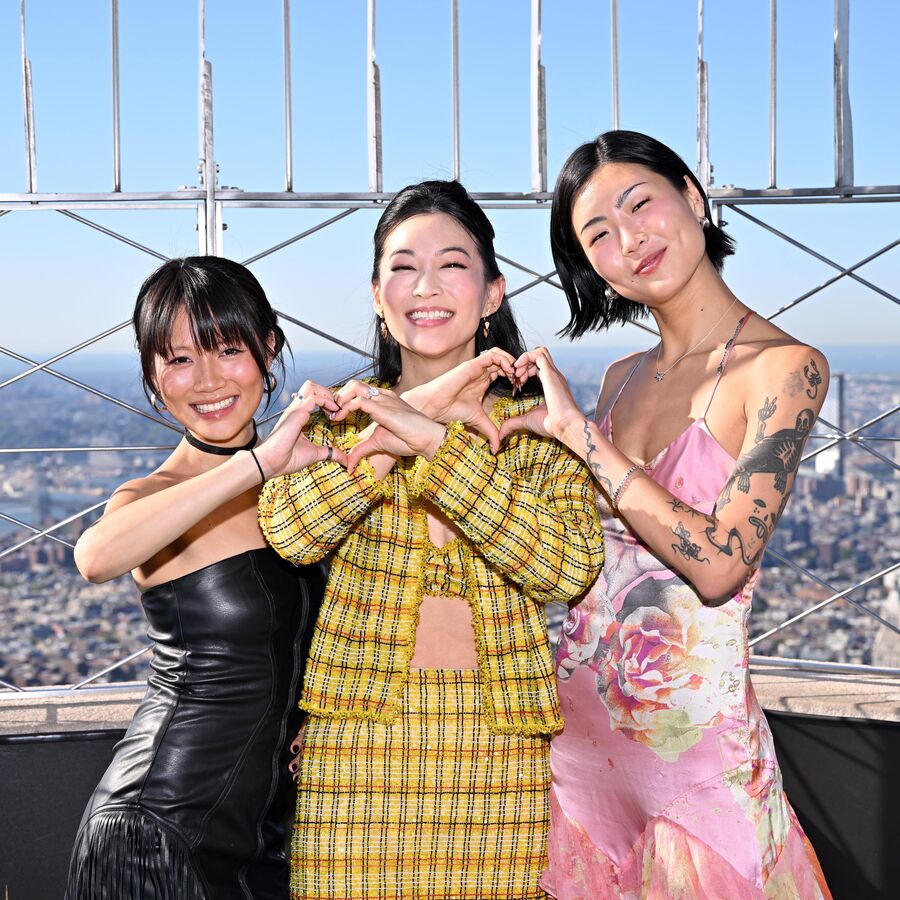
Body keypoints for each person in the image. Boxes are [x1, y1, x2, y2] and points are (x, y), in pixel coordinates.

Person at [500, 132, 833, 899]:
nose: (629, 241)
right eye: (598, 235)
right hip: (576, 758)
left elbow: (720, 565)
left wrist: (582, 437)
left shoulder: (785, 368)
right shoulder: (619, 378)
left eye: (639, 204)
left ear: (691, 194)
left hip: (698, 768)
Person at [257, 180, 604, 899]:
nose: (426, 286)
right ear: (379, 295)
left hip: (499, 743)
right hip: (355, 744)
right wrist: (397, 431)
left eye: (452, 264)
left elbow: (567, 566)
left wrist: (435, 447)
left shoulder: (542, 427)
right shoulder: (334, 421)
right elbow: (291, 532)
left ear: (492, 293)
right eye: (403, 266)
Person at [66, 256, 342, 900]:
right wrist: (256, 462)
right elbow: (95, 557)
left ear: (269, 349)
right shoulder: (155, 495)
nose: (208, 380)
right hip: (153, 831)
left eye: (228, 350)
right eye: (179, 359)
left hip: (265, 843)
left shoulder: (302, 482)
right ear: (153, 376)